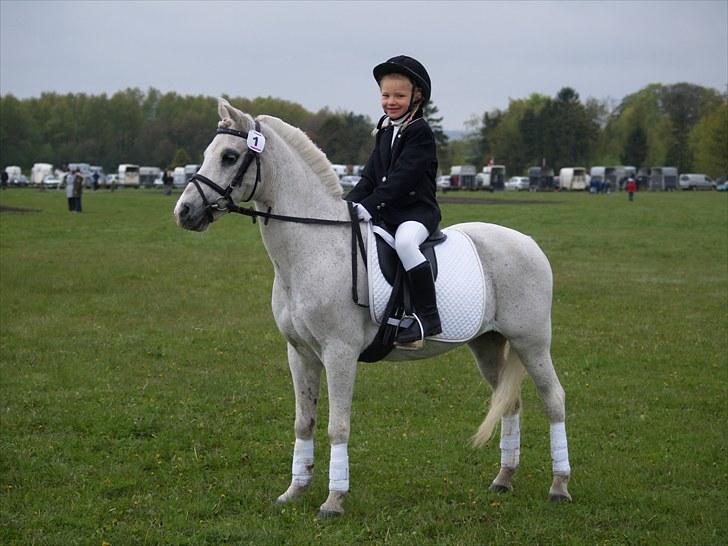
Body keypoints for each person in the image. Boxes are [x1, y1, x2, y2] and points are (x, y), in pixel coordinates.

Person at [345, 55, 442, 346]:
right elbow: (370, 178)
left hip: (417, 213)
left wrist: (368, 206)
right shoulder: (385, 130)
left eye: (399, 95)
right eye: (385, 95)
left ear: (417, 96)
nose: (391, 101)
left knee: (405, 244)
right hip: (389, 213)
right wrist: (346, 205)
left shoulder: (420, 133)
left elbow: (400, 181)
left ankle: (428, 318)